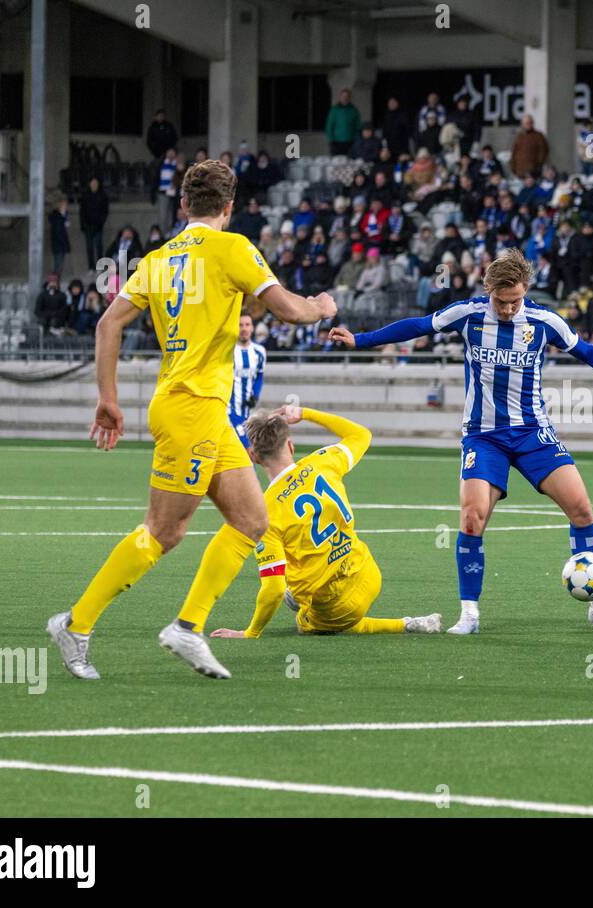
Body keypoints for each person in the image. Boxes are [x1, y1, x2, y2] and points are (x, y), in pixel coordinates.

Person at [46, 160, 338, 682]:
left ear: (183, 206)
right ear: (230, 207)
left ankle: (186, 627)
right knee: (163, 531)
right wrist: (319, 306)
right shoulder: (234, 247)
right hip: (190, 408)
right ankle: (76, 622)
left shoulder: (157, 259)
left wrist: (108, 399)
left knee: (252, 521)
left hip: (200, 410)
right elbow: (290, 311)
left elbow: (109, 324)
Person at [326, 248, 593, 634]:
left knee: (582, 511)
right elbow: (418, 326)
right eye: (501, 301)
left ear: (525, 291)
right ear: (488, 289)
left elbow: (589, 353)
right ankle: (469, 615)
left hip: (533, 434)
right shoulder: (468, 314)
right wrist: (361, 340)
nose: (507, 309)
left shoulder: (544, 321)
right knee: (472, 520)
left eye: (515, 301)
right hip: (483, 437)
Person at [210, 405, 441, 640]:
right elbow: (361, 435)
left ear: (253, 456)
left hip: (337, 604)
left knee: (306, 623)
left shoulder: (263, 512)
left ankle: (404, 624)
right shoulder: (323, 461)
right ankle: (414, 623)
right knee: (301, 579)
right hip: (369, 575)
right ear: (290, 446)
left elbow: (273, 590)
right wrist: (305, 413)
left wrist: (251, 632)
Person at [229, 312, 267, 449]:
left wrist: (255, 395)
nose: (244, 328)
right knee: (247, 447)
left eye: (247, 325)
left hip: (246, 410)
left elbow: (259, 376)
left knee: (242, 449)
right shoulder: (228, 350)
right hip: (228, 409)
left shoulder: (259, 351)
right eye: (240, 325)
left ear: (252, 328)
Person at [79, 176, 109, 270]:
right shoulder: (85, 195)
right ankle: (91, 267)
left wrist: (101, 222)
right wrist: (83, 224)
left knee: (99, 247)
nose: (94, 185)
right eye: (92, 183)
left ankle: (100, 267)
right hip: (88, 226)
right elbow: (82, 211)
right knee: (89, 248)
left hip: (98, 226)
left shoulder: (103, 195)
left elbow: (105, 211)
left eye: (95, 183)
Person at [325, 88, 361, 156]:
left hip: (350, 142)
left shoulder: (354, 110)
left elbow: (358, 126)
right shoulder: (334, 110)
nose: (345, 98)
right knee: (336, 163)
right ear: (340, 97)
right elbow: (329, 127)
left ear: (349, 98)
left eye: (347, 96)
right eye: (343, 96)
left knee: (349, 163)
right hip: (336, 142)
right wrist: (331, 140)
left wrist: (356, 139)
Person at [48, 197, 71, 277]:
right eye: (64, 205)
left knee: (58, 265)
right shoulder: (58, 218)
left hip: (59, 245)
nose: (66, 207)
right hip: (59, 245)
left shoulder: (61, 217)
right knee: (58, 266)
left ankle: (55, 281)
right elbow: (59, 233)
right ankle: (55, 282)